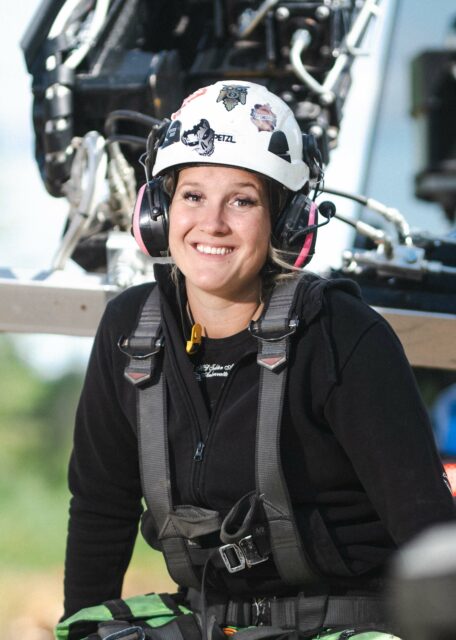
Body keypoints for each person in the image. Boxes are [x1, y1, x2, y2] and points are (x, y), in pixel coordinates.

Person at [61, 81, 455, 639]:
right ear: (158, 211)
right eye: (192, 195)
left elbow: (429, 531)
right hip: (211, 622)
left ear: (288, 221)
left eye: (242, 200)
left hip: (348, 622)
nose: (212, 223)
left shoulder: (341, 334)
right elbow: (102, 505)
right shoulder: (130, 331)